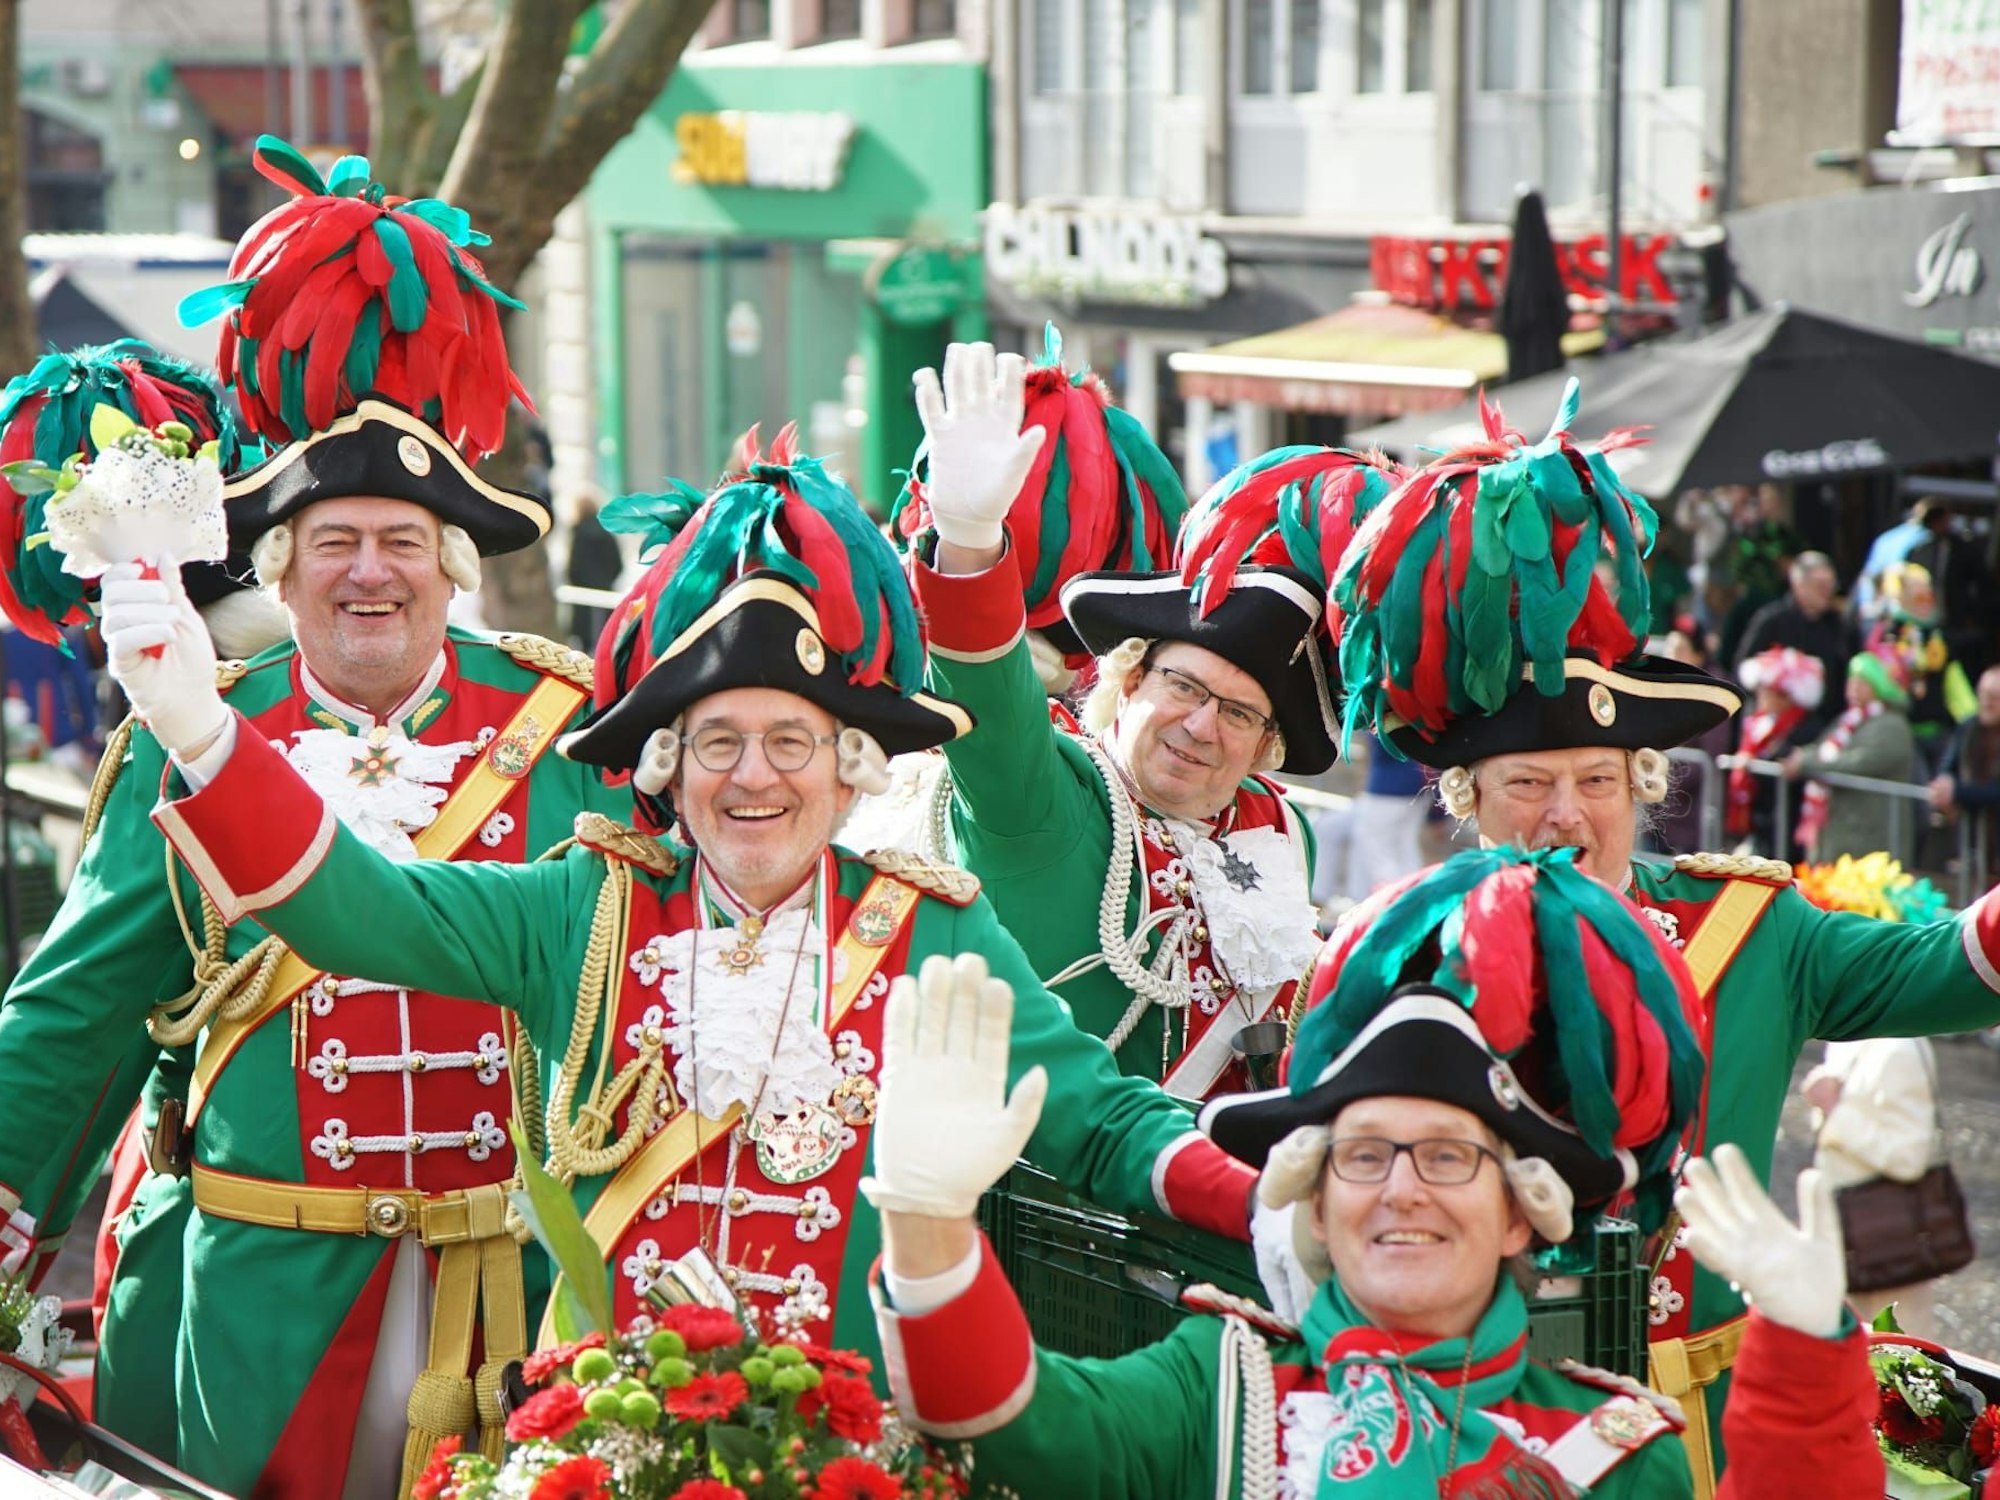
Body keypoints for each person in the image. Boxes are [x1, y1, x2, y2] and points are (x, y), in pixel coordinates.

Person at [97, 428, 1265, 1408]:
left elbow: (1102, 1123)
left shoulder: (927, 930)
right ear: (667, 766)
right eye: (718, 742)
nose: (753, 777)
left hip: (844, 1451)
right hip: (596, 1439)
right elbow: (362, 911)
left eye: (791, 742)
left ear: (851, 767)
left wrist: (1273, 1206)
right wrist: (204, 734)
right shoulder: (584, 907)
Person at [0, 141, 626, 1499]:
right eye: (332, 542)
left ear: (452, 568)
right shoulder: (190, 729)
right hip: (260, 1301)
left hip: (517, 1295)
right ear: (279, 571)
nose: (368, 573)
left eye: (403, 542)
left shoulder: (570, 734)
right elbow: (77, 1018)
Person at [1328, 380, 2000, 1492]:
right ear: (1467, 798)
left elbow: (1956, 970)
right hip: (1500, 1421)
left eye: (1596, 781)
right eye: (1527, 783)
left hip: (1721, 1426)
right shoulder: (1402, 952)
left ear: (1641, 787)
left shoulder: (1748, 925)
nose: (1564, 814)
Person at [864, 849, 1882, 1499]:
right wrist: (927, 1225)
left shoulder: (1614, 1453)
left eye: (1447, 1157)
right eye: (1361, 1156)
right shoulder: (1219, 1389)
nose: (1400, 1188)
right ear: (1313, 1201)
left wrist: (1805, 1361)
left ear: (1521, 1214)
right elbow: (1013, 1425)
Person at [908, 341, 1397, 1097]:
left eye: (1239, 713)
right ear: (1129, 675)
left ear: (1266, 745)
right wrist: (970, 540)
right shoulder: (1048, 792)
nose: (1201, 726)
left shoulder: (1280, 828)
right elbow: (991, 698)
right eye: (1184, 686)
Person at [1802, 1037, 1950, 1339]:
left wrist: (1835, 1109)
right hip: (1842, 1240)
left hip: (1890, 1245)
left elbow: (1909, 1158)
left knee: (1896, 1350)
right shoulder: (1847, 1039)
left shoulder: (1899, 1049)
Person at [1783, 650, 1919, 862]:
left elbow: (1860, 762)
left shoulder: (1892, 726)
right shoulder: (1849, 720)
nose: (1854, 687)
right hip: (1840, 829)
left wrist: (1806, 761)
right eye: (1851, 681)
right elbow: (1822, 747)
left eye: (1862, 682)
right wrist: (1805, 756)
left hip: (1871, 836)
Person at [1866, 561, 1974, 770]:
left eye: (1928, 597)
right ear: (1902, 597)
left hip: (1938, 728)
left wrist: (1971, 720)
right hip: (1902, 730)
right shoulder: (1888, 634)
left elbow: (1955, 684)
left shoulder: (1938, 636)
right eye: (1918, 598)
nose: (1925, 603)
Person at [1731, 551, 1857, 719]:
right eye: (1820, 585)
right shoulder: (1771, 620)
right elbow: (1742, 669)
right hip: (1773, 720)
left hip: (1825, 722)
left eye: (1831, 585)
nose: (1827, 592)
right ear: (1799, 584)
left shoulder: (1839, 625)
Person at [1728, 646, 1822, 857]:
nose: (1760, 695)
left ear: (1785, 695)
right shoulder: (1759, 722)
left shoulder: (1805, 727)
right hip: (1760, 819)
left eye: (1767, 690)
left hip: (1786, 821)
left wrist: (1757, 764)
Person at [1929, 664, 2000, 883]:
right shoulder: (1968, 728)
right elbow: (1948, 766)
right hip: (1974, 841)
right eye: (1982, 695)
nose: (1986, 703)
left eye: (1994, 697)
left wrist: (1958, 793)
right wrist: (1944, 785)